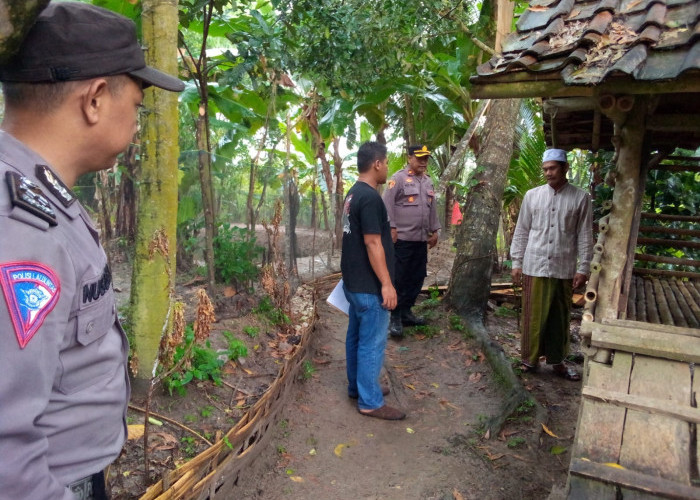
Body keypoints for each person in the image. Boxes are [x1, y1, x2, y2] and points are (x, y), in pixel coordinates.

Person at [0, 3, 184, 499]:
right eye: (138, 105)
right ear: (96, 99)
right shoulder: (20, 229)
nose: (138, 121)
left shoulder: (39, 195)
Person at [510, 149, 593, 381]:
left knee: (559, 316)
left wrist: (583, 267)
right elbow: (522, 230)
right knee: (532, 316)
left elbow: (585, 235)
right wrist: (516, 261)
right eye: (545, 169)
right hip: (534, 265)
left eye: (553, 168)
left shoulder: (580, 198)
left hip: (563, 266)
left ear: (565, 168)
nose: (548, 173)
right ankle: (529, 360)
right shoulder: (532, 196)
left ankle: (557, 362)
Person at [341, 141, 406, 420]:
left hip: (354, 283)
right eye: (387, 162)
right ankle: (370, 401)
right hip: (369, 285)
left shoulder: (353, 194)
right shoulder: (369, 197)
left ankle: (358, 387)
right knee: (372, 342)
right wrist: (387, 284)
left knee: (356, 335)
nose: (388, 167)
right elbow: (371, 242)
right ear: (377, 164)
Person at [382, 144, 441, 338]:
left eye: (426, 159)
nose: (424, 162)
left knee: (417, 277)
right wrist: (390, 227)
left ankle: (407, 312)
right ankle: (395, 316)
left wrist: (435, 230)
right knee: (400, 278)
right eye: (420, 158)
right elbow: (387, 205)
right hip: (402, 239)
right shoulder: (398, 179)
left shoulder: (428, 182)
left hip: (420, 240)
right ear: (409, 158)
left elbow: (432, 209)